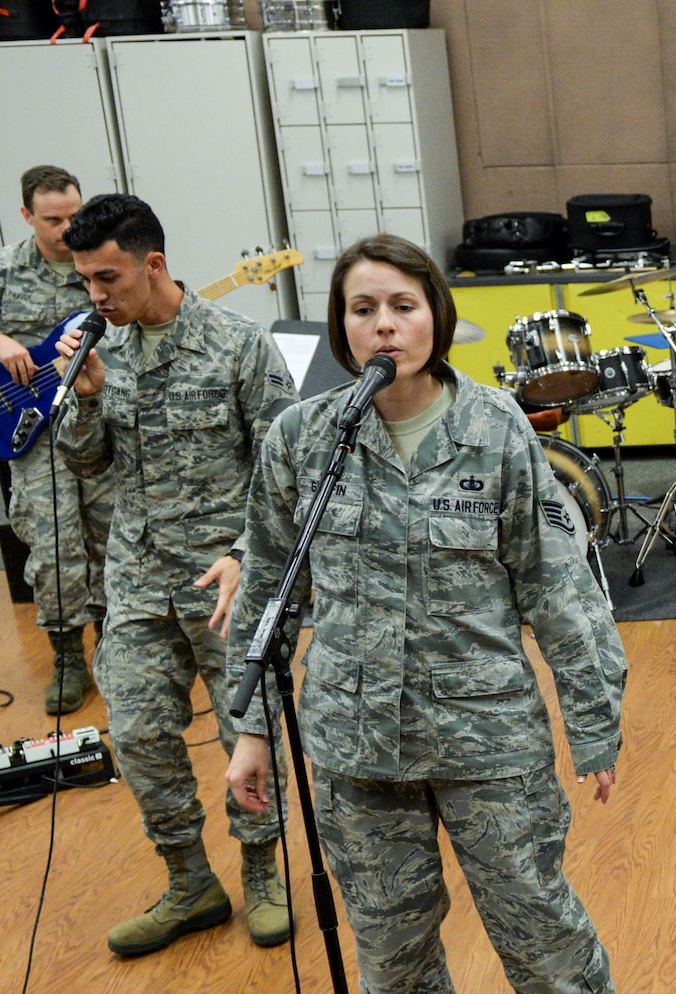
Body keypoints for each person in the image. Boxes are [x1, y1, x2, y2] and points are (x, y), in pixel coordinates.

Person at [224, 234, 625, 994]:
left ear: (434, 318)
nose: (384, 326)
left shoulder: (496, 427)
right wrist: (251, 735)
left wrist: (594, 723)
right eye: (363, 309)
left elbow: (557, 587)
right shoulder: (302, 439)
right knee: (393, 964)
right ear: (340, 326)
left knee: (545, 942)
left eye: (403, 307)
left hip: (488, 743)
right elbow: (268, 591)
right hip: (355, 749)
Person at [54, 193, 297, 956]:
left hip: (226, 580)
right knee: (136, 734)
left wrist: (249, 556)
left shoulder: (238, 346)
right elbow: (86, 461)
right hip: (136, 580)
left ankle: (262, 870)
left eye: (107, 278)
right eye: (85, 281)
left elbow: (285, 472)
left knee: (246, 734)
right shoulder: (102, 348)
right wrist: (86, 402)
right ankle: (189, 882)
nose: (95, 296)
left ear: (152, 264)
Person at [0, 165, 116, 714]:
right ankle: (67, 658)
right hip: (32, 432)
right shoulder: (0, 269)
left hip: (95, 417)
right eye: (53, 219)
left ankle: (116, 647)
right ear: (27, 216)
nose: (66, 228)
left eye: (74, 216)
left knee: (110, 536)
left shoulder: (100, 265)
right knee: (55, 546)